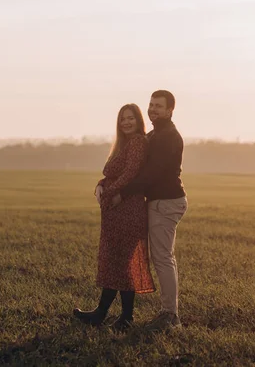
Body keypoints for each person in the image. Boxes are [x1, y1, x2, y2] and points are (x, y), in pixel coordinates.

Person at [73, 104, 155, 332]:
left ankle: (116, 315)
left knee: (122, 262)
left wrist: (109, 192)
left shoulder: (138, 141)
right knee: (117, 262)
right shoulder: (122, 145)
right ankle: (111, 315)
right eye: (122, 119)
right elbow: (111, 173)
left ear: (138, 121)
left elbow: (130, 173)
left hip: (128, 210)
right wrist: (101, 185)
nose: (126, 122)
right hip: (115, 212)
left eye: (130, 118)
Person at [111, 90, 187, 332]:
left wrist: (121, 191)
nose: (153, 109)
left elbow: (150, 174)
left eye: (159, 106)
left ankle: (170, 316)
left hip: (166, 202)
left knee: (163, 258)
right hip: (160, 201)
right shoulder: (155, 133)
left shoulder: (167, 137)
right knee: (163, 257)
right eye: (151, 105)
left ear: (169, 110)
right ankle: (169, 314)